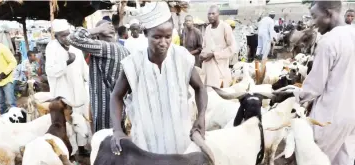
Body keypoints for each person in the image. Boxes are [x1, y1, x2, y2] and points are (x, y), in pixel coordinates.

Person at [258, 1, 355, 165]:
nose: (312, 23)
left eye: (314, 17)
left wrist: (289, 94)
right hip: (351, 116)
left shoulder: (329, 42)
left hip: (328, 117)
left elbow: (313, 87)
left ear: (328, 14)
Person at [110, 1, 207, 155]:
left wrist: (201, 116)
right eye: (157, 37)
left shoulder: (182, 58)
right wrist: (117, 130)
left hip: (180, 141)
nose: (164, 43)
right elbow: (116, 95)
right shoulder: (133, 64)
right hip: (145, 143)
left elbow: (200, 88)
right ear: (146, 33)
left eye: (168, 37)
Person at [67, 19, 130, 133]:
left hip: (105, 109)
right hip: (120, 107)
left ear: (98, 35)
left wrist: (97, 29)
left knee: (106, 144)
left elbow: (73, 37)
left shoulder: (104, 47)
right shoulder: (124, 50)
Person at [45, 19, 91, 162]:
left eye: (67, 34)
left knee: (81, 120)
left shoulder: (75, 47)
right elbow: (50, 71)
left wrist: (88, 81)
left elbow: (84, 68)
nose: (66, 38)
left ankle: (82, 148)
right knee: (67, 124)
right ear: (56, 36)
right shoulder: (51, 48)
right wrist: (66, 63)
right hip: (62, 93)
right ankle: (71, 154)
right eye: (62, 35)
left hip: (78, 91)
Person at [201, 5, 236, 89]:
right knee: (208, 92)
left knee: (219, 93)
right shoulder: (207, 29)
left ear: (218, 14)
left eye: (213, 13)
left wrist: (214, 54)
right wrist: (202, 55)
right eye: (209, 14)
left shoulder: (225, 27)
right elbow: (204, 46)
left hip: (220, 68)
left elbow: (232, 48)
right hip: (208, 68)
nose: (210, 16)